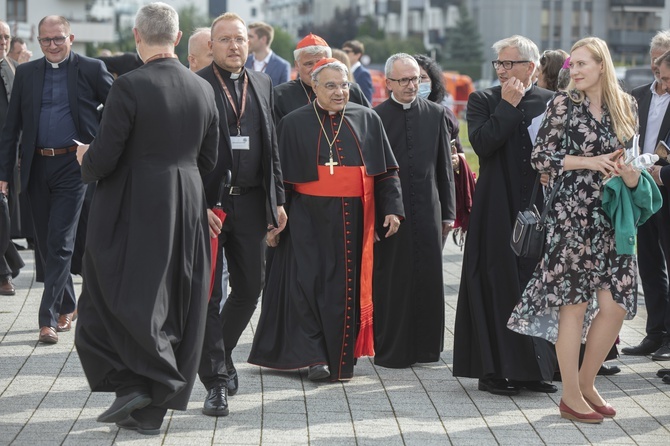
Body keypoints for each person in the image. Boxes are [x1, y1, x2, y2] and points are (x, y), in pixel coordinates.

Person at [74, 3, 219, 435]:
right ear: (177, 38)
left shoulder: (129, 86)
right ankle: (148, 407)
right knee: (176, 296)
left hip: (135, 202)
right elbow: (210, 160)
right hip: (189, 199)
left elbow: (103, 159)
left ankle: (132, 382)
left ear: (137, 36)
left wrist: (85, 157)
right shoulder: (203, 89)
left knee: (115, 292)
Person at [508, 37, 644, 423]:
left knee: (615, 305)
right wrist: (590, 160)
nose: (576, 71)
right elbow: (540, 157)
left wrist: (631, 173)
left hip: (614, 214)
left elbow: (627, 154)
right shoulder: (564, 103)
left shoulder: (626, 104)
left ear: (603, 65)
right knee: (574, 307)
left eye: (584, 64)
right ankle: (570, 395)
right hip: (572, 215)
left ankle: (585, 383)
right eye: (573, 65)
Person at [248, 58, 404, 381]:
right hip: (306, 220)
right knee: (306, 286)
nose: (339, 92)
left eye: (344, 85)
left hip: (353, 221)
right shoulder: (292, 123)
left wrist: (392, 208)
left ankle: (340, 355)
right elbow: (278, 178)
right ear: (314, 87)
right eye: (330, 85)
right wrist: (273, 219)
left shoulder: (368, 119)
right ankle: (315, 356)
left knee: (343, 291)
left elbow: (387, 171)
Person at [453, 35, 557, 396]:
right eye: (498, 63)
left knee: (534, 285)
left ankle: (534, 370)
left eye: (509, 63)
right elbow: (482, 145)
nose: (501, 70)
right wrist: (508, 106)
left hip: (536, 203)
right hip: (495, 203)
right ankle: (493, 370)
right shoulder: (483, 99)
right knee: (496, 283)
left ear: (531, 67)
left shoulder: (550, 101)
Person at [0, 16, 113, 344]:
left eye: (58, 39)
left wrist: (97, 141)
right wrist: (4, 176)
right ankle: (67, 304)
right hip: (35, 167)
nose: (52, 45)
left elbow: (119, 106)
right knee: (46, 244)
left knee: (61, 242)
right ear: (38, 41)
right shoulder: (25, 73)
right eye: (46, 40)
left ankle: (47, 318)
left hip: (73, 167)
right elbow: (11, 130)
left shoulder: (91, 69)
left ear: (71, 37)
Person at [197, 12, 286, 416]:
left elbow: (272, 148)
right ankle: (215, 381)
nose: (235, 46)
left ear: (250, 44)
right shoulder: (197, 85)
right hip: (212, 206)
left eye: (241, 39)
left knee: (251, 287)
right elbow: (185, 155)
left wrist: (277, 200)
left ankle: (221, 353)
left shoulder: (265, 84)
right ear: (211, 46)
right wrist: (199, 205)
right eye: (226, 40)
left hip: (251, 202)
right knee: (209, 295)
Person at [372, 53, 455, 368]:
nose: (412, 85)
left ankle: (426, 349)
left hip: (428, 207)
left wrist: (448, 213)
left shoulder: (436, 114)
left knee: (428, 276)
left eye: (417, 79)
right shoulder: (374, 116)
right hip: (389, 211)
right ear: (388, 82)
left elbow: (444, 167)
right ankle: (392, 348)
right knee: (392, 278)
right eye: (404, 80)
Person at [623, 31, 670, 361]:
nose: (656, 66)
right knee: (649, 264)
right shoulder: (637, 95)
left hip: (667, 187)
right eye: (654, 59)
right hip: (642, 189)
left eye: (662, 58)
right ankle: (655, 334)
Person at [273, 33, 370, 122]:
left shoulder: (351, 90)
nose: (315, 69)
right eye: (309, 64)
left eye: (320, 62)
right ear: (297, 65)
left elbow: (368, 123)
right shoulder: (280, 96)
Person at [0, 20, 23, 296]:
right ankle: (5, 272)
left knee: (7, 213)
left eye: (6, 37)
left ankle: (12, 262)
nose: (3, 41)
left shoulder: (15, 68)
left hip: (10, 155)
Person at [244, 21, 290, 86]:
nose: (247, 40)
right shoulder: (244, 63)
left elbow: (284, 94)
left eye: (250, 36)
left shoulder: (283, 66)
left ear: (263, 39)